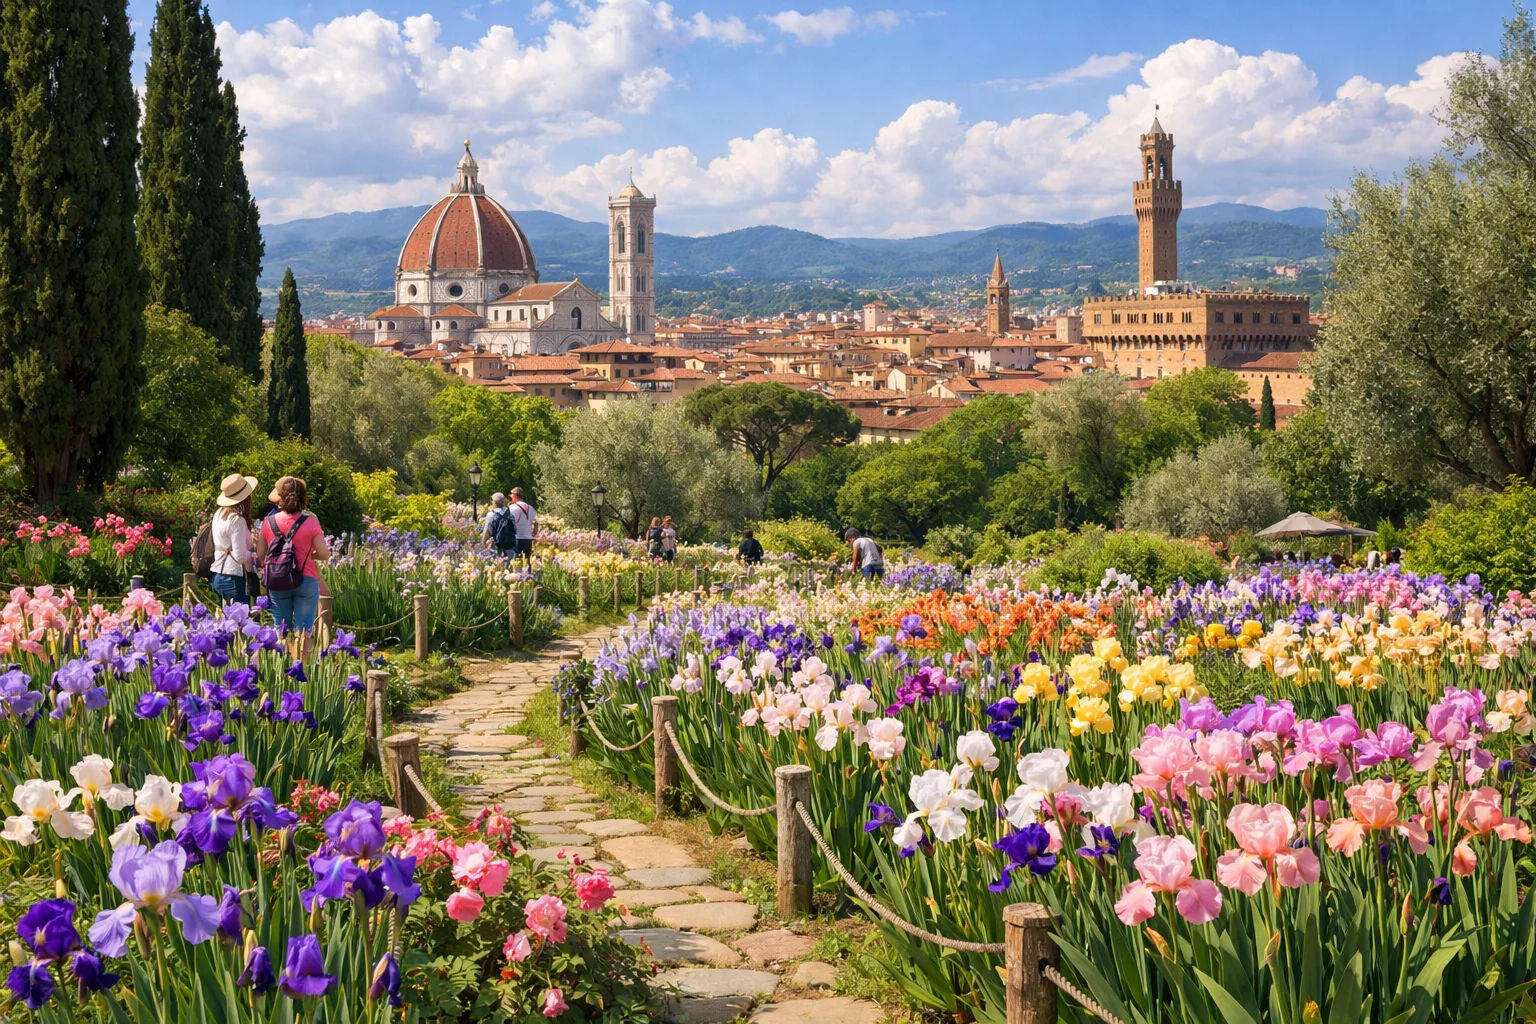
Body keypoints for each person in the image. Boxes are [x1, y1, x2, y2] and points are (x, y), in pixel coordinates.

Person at [256, 476, 330, 652]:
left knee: (281, 631)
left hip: (277, 580)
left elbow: (260, 553)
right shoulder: (311, 521)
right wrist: (310, 555)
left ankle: (282, 670)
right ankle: (300, 671)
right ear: (304, 498)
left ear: (280, 498)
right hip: (306, 579)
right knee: (304, 631)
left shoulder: (269, 522)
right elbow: (324, 553)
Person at [210, 473, 257, 606]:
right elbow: (240, 556)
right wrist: (255, 554)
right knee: (239, 623)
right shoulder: (237, 520)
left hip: (217, 574)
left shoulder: (219, 514)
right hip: (233, 577)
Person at [508, 487, 537, 567]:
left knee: (516, 564)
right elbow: (535, 522)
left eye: (511, 495)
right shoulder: (530, 508)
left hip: (516, 538)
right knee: (527, 562)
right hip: (528, 539)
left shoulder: (513, 508)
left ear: (514, 496)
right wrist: (533, 533)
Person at [483, 493, 516, 558]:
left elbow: (487, 531)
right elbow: (515, 529)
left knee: (497, 565)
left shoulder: (491, 515)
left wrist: (483, 542)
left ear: (494, 502)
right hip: (509, 546)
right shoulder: (510, 513)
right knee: (510, 565)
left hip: (495, 546)